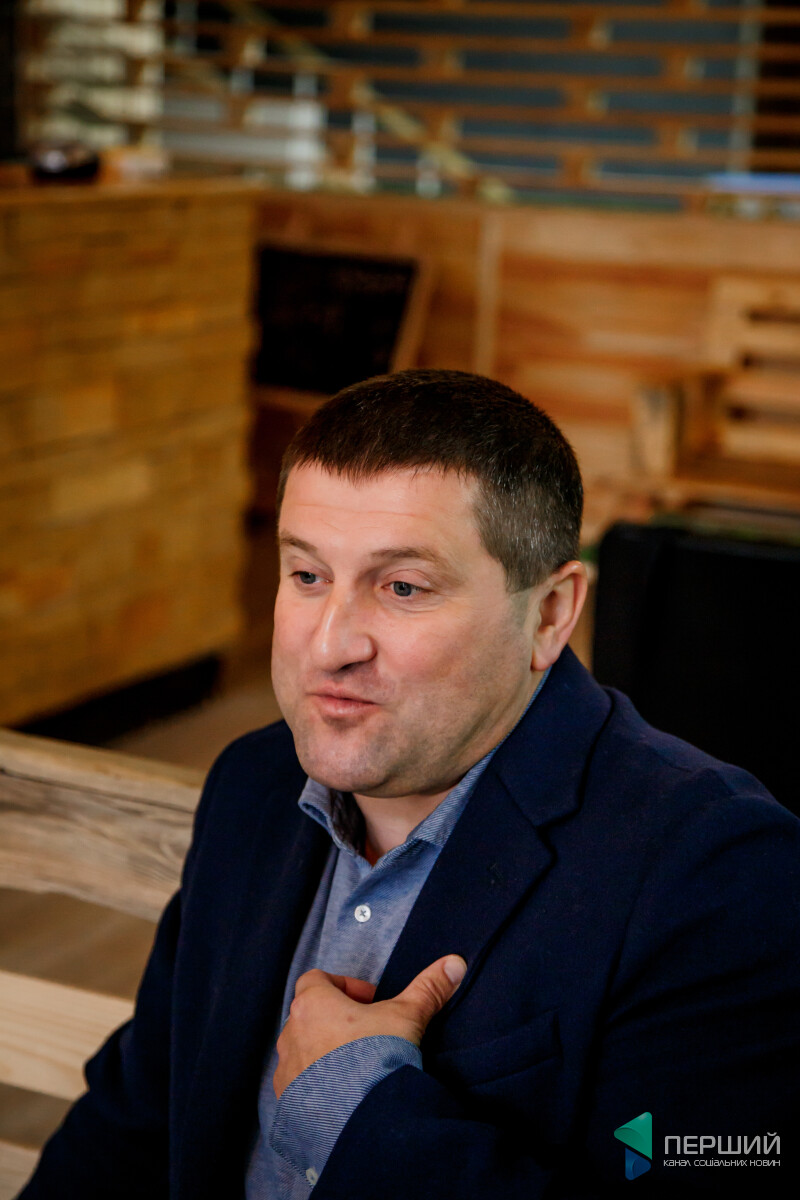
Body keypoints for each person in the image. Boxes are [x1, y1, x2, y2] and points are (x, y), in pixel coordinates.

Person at [20, 370, 799, 1199]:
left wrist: (354, 1108)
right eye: (307, 575)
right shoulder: (253, 783)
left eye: (402, 587)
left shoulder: (718, 872)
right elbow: (136, 1121)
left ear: (549, 614)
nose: (330, 646)